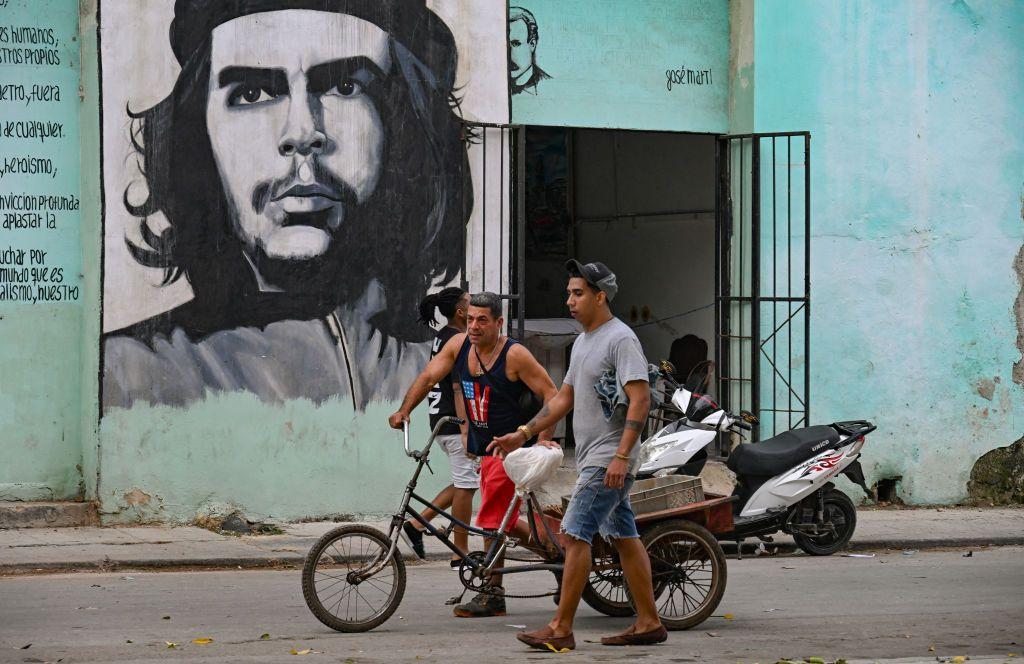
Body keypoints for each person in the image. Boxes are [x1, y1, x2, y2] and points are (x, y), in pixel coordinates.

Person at [103, 0, 472, 411]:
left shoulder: (452, 364)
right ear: (197, 136)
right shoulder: (129, 377)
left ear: (405, 127)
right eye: (252, 92)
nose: (302, 131)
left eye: (346, 86)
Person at [490, 260, 667, 652]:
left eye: (578, 293)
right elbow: (563, 398)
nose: (569, 300)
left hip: (609, 458)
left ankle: (560, 628)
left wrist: (622, 456)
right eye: (569, 292)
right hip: (594, 457)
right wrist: (522, 433)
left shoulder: (621, 339)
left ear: (600, 296)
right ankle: (650, 621)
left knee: (574, 533)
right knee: (624, 536)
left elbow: (640, 398)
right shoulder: (585, 341)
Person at [389, 292, 558, 618]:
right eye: (470, 320)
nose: (474, 326)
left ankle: (493, 594)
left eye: (482, 320)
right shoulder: (459, 346)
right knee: (503, 521)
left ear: (498, 323)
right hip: (484, 446)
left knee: (492, 519)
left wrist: (542, 442)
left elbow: (551, 393)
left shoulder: (514, 355)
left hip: (512, 448)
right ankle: (557, 554)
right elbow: (428, 377)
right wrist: (404, 410)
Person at [400, 287, 479, 566]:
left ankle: (418, 524)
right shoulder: (459, 340)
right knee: (467, 485)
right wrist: (468, 429)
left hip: (442, 421)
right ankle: (461, 550)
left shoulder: (442, 337)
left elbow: (430, 378)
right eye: (470, 303)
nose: (475, 306)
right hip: (456, 422)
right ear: (461, 312)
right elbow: (458, 387)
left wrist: (405, 410)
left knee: (465, 482)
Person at [509, 6, 552, 96]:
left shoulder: (551, 86)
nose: (508, 54)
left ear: (532, 44)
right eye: (504, 45)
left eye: (516, 44)